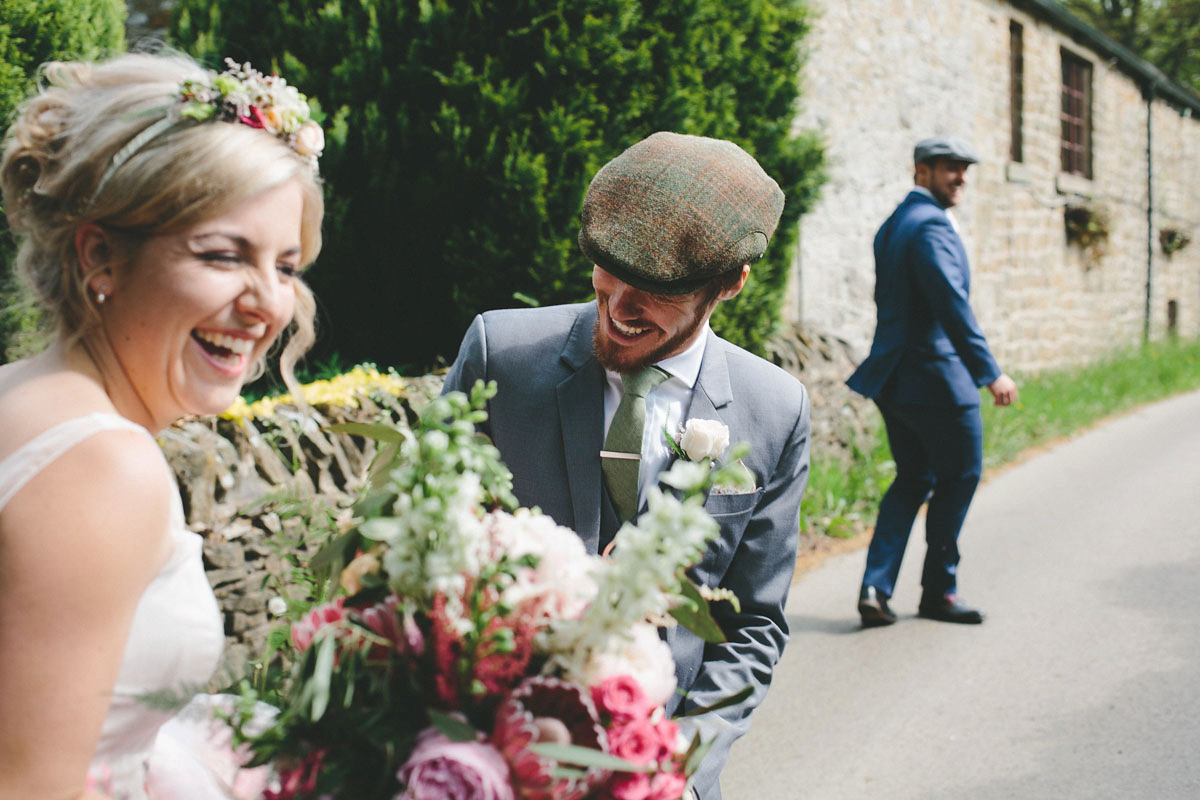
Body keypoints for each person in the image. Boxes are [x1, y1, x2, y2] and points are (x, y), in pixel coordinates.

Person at [442, 131, 810, 799]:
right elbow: (431, 542)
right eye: (608, 274)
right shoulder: (500, 353)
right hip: (483, 758)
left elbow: (753, 625)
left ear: (731, 283)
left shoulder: (775, 411)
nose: (616, 309)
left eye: (654, 292)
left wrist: (675, 767)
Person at [0, 51, 325, 799]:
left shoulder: (25, 396)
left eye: (287, 265)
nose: (269, 305)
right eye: (222, 256)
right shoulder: (101, 466)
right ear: (101, 254)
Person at [847, 135, 1018, 628]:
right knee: (959, 477)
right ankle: (939, 591)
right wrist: (990, 372)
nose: (960, 177)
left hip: (894, 378)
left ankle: (875, 588)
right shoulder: (931, 229)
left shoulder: (894, 224)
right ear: (920, 171)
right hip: (937, 381)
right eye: (949, 168)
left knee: (913, 479)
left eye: (964, 169)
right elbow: (951, 305)